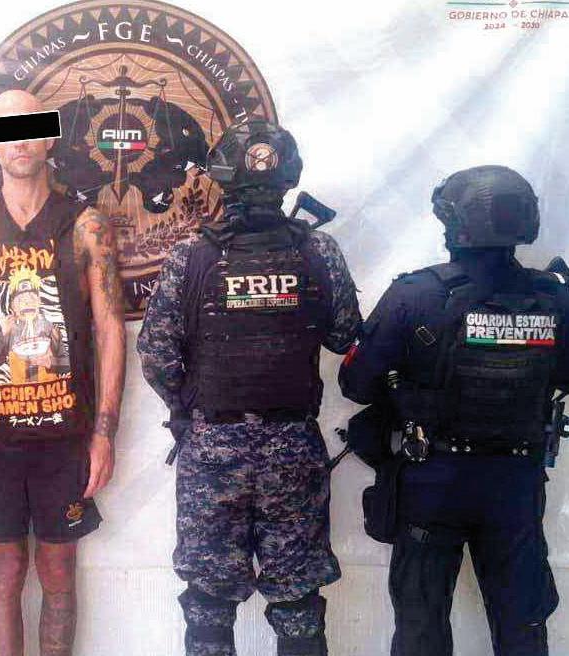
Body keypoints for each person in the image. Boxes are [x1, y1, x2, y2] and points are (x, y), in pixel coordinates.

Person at [137, 119, 361, 656]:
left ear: (221, 176)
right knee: (298, 600)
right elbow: (344, 335)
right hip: (293, 448)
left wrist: (190, 410)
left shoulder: (191, 254)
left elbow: (157, 356)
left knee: (209, 602)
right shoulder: (319, 251)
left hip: (213, 449)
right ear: (289, 177)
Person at [339, 165, 568, 656]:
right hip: (515, 484)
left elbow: (356, 384)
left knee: (421, 627)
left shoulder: (417, 293)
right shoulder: (554, 298)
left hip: (433, 481)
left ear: (456, 224)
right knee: (523, 626)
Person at [0, 90, 126, 656]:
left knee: (59, 570)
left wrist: (105, 434)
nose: (18, 139)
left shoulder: (87, 225)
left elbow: (112, 330)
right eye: (5, 129)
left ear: (48, 137)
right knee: (6, 568)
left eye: (30, 127)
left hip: (66, 434)